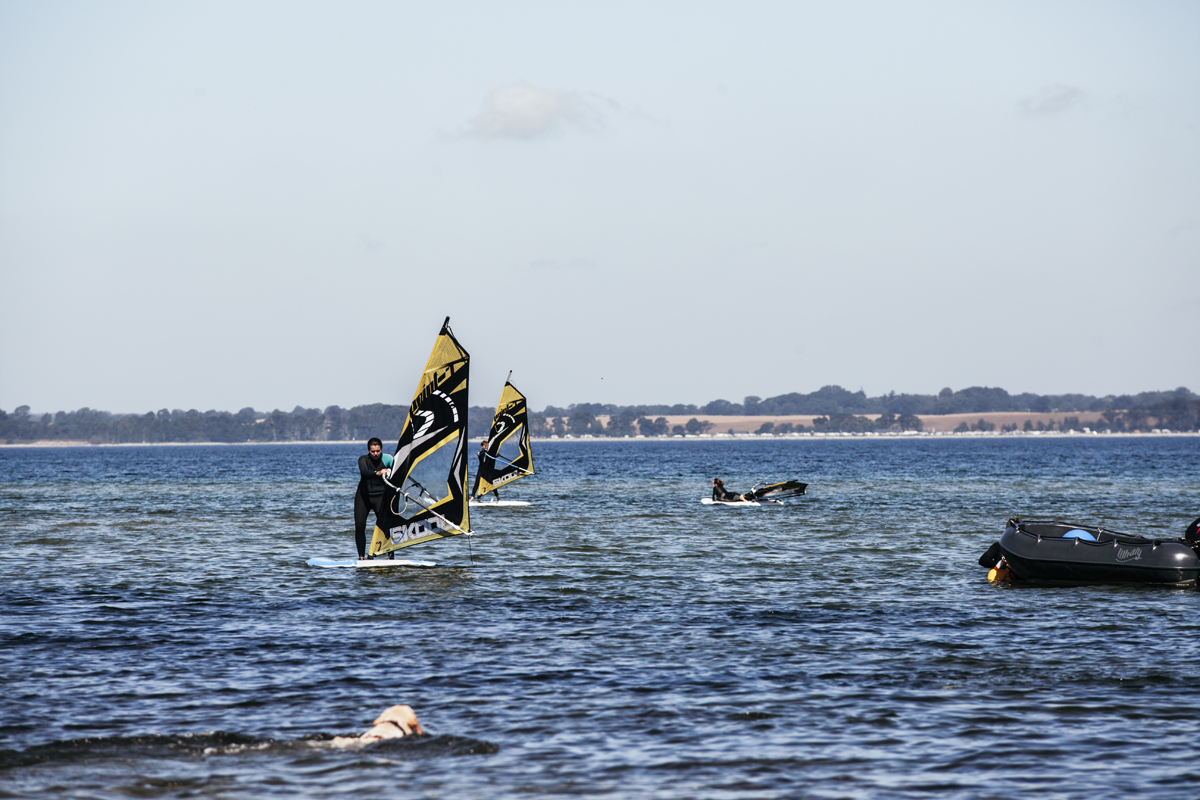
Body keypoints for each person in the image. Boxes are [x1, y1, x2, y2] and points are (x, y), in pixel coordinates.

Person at [355, 438, 393, 560]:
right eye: (373, 451)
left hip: (381, 497)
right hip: (363, 497)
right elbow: (365, 472)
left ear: (381, 449)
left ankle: (390, 556)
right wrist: (378, 472)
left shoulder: (388, 459)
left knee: (385, 526)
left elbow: (399, 472)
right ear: (369, 450)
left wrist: (390, 471)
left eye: (378, 451)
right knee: (360, 526)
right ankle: (361, 557)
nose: (376, 454)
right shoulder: (363, 459)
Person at [330, 704, 423, 747]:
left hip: (369, 735)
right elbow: (419, 733)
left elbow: (375, 723)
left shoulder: (381, 719)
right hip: (384, 738)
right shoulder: (409, 718)